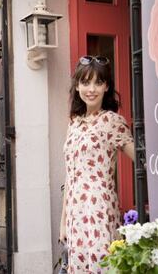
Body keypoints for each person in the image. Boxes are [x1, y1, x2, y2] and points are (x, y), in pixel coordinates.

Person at [59, 55, 135, 273]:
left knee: (101, 266)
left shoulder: (112, 121)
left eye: (98, 83)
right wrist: (63, 221)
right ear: (77, 86)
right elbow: (69, 175)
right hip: (75, 213)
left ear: (106, 87)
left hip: (99, 209)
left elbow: (143, 161)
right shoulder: (73, 123)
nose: (91, 89)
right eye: (85, 82)